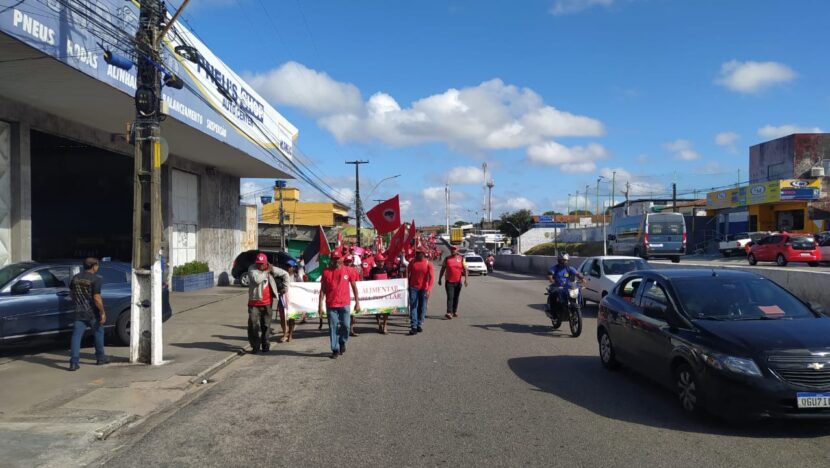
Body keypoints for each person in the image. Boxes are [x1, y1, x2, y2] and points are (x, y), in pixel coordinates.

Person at [319, 251, 361, 359]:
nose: (337, 261)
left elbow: (354, 287)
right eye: (334, 259)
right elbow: (322, 290)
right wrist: (320, 305)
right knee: (333, 327)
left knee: (346, 326)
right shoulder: (326, 272)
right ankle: (335, 349)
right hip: (331, 304)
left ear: (341, 259)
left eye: (338, 258)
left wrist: (357, 302)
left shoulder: (348, 270)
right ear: (331, 260)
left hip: (344, 303)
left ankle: (342, 342)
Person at [68, 257, 108, 371]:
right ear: (93, 266)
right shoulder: (96, 279)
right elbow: (96, 298)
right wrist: (102, 312)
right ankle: (100, 358)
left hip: (78, 312)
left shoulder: (75, 278)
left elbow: (71, 293)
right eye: (97, 265)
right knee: (98, 333)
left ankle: (73, 363)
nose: (98, 267)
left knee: (76, 337)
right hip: (92, 313)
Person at [247, 253, 291, 353]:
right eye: (258, 263)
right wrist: (267, 271)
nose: (260, 265)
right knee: (253, 326)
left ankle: (265, 345)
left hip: (267, 303)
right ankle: (255, 346)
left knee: (266, 326)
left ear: (266, 263)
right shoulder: (252, 269)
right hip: (254, 303)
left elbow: (285, 274)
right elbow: (257, 280)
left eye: (262, 264)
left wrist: (285, 288)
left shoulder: (271, 268)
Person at [406, 248, 434, 335]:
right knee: (413, 306)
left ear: (423, 253)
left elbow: (432, 278)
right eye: (416, 253)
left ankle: (419, 324)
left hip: (423, 289)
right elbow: (407, 272)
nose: (417, 254)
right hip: (413, 288)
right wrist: (406, 283)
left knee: (422, 307)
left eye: (419, 253)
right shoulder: (412, 262)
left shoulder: (428, 263)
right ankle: (413, 326)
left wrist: (429, 289)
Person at [438, 246, 468, 319]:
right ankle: (449, 312)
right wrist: (440, 278)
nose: (452, 251)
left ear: (457, 251)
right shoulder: (447, 259)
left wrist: (466, 279)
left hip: (458, 282)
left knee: (456, 297)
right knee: (450, 297)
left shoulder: (461, 259)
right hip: (449, 282)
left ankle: (454, 311)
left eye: (454, 250)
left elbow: (465, 269)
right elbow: (442, 269)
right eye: (451, 250)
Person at [368, 253, 391, 334]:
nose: (381, 263)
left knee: (386, 311)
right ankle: (379, 324)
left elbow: (392, 280)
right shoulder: (373, 270)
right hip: (376, 296)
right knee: (377, 312)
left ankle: (385, 325)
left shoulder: (387, 269)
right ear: (376, 262)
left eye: (382, 261)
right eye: (379, 261)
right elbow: (369, 282)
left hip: (386, 295)